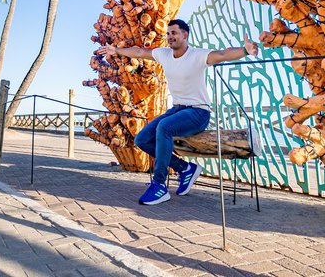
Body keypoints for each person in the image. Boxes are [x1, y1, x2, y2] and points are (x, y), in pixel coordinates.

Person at [97, 18, 258, 206]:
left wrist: (245, 50)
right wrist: (115, 50)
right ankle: (185, 168)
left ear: (185, 35)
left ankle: (159, 185)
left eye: (174, 33)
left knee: (164, 128)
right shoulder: (164, 54)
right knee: (142, 140)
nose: (169, 37)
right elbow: (140, 52)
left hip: (198, 113)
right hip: (177, 110)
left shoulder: (197, 55)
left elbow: (222, 54)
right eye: (168, 34)